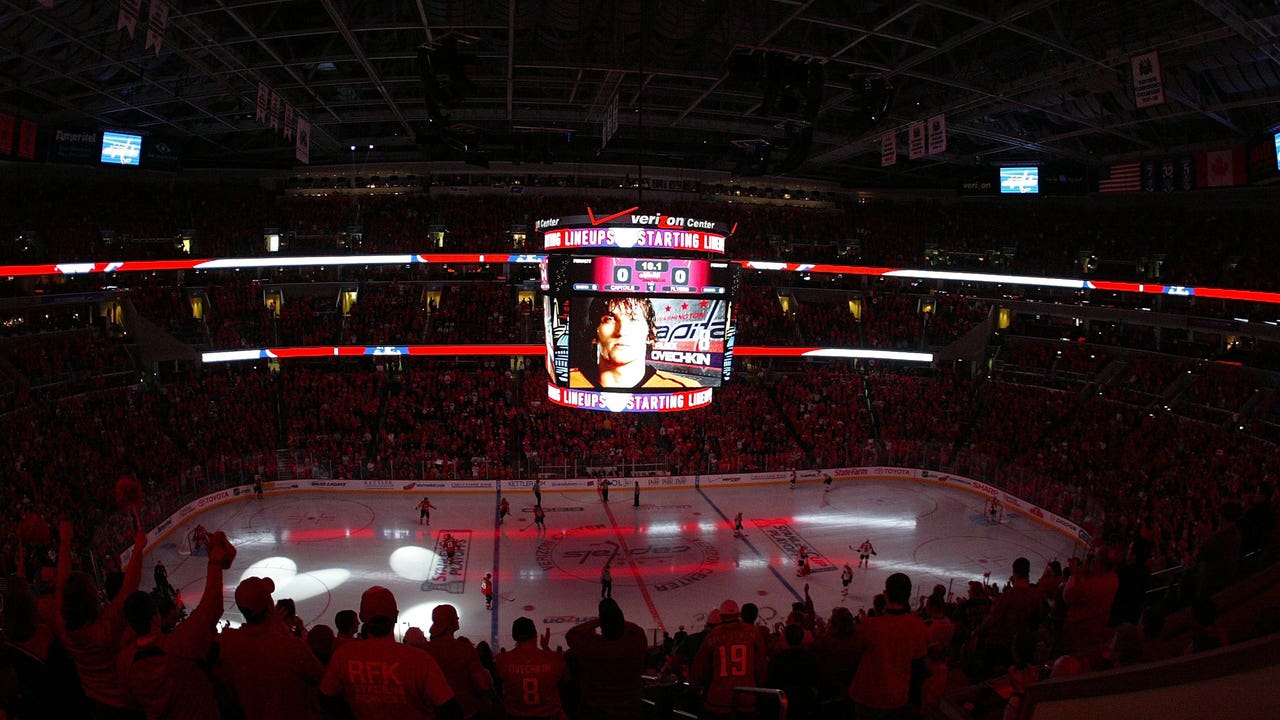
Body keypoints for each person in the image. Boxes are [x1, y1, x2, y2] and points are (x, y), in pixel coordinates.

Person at [117, 530, 235, 720]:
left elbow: (129, 701)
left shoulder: (125, 662)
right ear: (156, 616)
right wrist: (214, 564)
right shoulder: (179, 645)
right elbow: (211, 608)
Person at [319, 585, 462, 720]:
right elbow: (450, 709)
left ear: (362, 617)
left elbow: (326, 697)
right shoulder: (418, 659)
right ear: (396, 616)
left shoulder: (343, 655)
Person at [217, 575, 325, 720]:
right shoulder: (291, 646)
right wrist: (284, 630)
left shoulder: (227, 641)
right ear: (269, 606)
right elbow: (320, 676)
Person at [568, 295, 700, 389]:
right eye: (609, 319)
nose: (622, 331)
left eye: (633, 319)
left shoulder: (685, 388)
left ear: (650, 334)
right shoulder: (569, 381)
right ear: (594, 333)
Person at [847, 573, 929, 718]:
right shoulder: (918, 626)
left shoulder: (870, 626)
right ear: (908, 594)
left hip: (868, 695)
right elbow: (918, 660)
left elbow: (854, 650)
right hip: (898, 696)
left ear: (885, 593)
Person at [565, 598, 648, 719]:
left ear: (602, 626)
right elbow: (637, 629)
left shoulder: (592, 647)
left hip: (595, 711)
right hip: (631, 710)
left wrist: (601, 619)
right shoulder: (636, 642)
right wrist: (614, 617)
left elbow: (572, 635)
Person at [690, 599, 769, 719]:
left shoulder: (713, 635)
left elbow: (699, 667)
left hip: (718, 699)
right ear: (738, 615)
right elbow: (761, 667)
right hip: (746, 698)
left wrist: (695, 687)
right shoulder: (754, 632)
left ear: (721, 616)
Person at [424, 604, 495, 719]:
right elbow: (481, 685)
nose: (458, 619)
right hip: (466, 712)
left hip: (435, 713)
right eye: (456, 617)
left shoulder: (425, 651)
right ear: (451, 623)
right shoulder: (466, 650)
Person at [495, 618, 569, 720]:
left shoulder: (501, 660)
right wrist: (546, 648)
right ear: (535, 635)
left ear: (514, 637)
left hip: (515, 716)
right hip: (549, 715)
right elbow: (566, 679)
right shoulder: (554, 658)